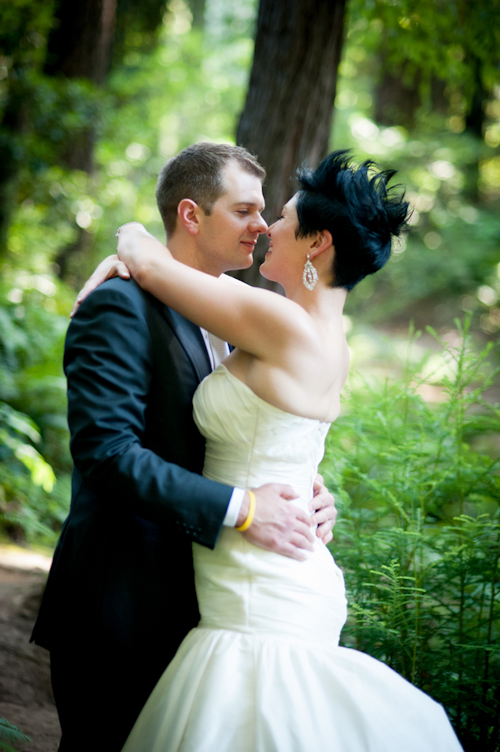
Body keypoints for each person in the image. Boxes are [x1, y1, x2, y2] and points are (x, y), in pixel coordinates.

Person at [94, 150, 462, 751]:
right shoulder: (328, 338)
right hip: (281, 563)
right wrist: (319, 494)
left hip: (259, 586)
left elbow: (147, 263)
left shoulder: (279, 322)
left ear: (317, 244)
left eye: (284, 218)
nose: (268, 228)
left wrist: (128, 236)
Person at [30, 143, 337, 752]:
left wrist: (309, 493)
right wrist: (244, 508)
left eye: (265, 212)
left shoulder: (242, 321)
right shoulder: (121, 303)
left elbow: (245, 437)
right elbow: (108, 454)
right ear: (192, 216)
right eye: (245, 210)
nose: (262, 226)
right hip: (124, 601)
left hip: (212, 608)